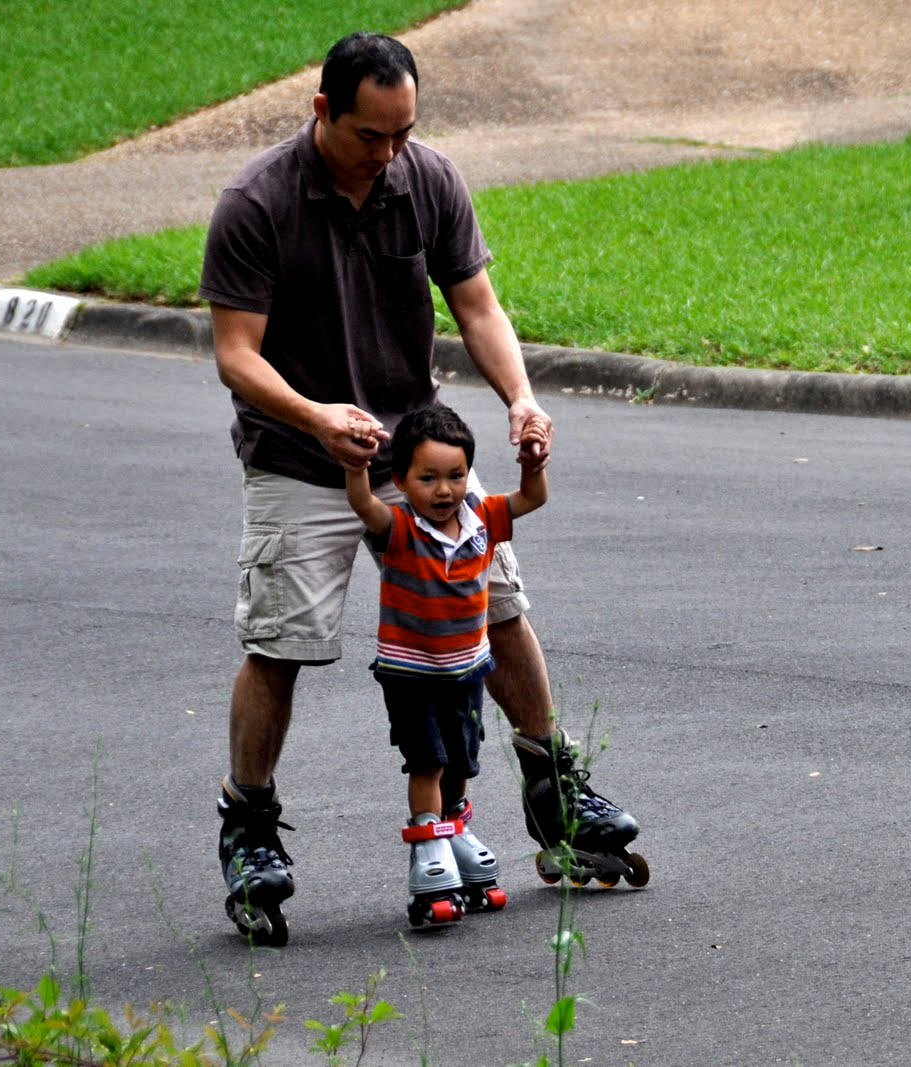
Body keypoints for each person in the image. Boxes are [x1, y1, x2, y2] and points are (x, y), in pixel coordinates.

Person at [200, 30, 641, 945]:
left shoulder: (428, 179)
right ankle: (249, 827)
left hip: (420, 450)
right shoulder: (258, 202)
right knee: (282, 642)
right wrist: (319, 417)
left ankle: (555, 787)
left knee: (502, 606)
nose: (391, 152)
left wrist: (521, 399)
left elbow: (476, 304)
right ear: (322, 111)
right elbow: (236, 354)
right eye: (373, 134)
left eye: (405, 131)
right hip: (297, 456)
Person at [343, 404, 546, 926]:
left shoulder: (481, 517)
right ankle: (427, 845)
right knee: (427, 761)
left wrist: (532, 463)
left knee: (460, 761)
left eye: (455, 476)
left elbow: (532, 498)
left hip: (468, 670)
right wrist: (355, 463)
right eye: (427, 478)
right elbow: (363, 504)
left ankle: (454, 831)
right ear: (402, 481)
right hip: (411, 675)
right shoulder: (400, 528)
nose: (444, 491)